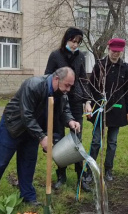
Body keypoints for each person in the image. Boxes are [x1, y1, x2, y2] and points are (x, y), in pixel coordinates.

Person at [0, 67, 80, 206]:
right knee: (1, 161)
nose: (68, 89)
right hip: (13, 127)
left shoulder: (61, 92)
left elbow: (65, 109)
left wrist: (70, 120)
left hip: (33, 131)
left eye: (71, 86)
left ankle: (28, 197)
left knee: (28, 163)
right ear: (56, 79)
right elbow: (26, 115)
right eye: (67, 85)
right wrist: (42, 137)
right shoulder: (33, 85)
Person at [44, 27, 91, 191]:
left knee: (77, 140)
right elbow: (47, 76)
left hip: (76, 101)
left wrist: (88, 101)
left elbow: (84, 80)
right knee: (58, 140)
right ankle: (61, 175)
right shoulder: (55, 55)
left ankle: (81, 177)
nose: (75, 44)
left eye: (78, 42)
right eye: (73, 40)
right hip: (58, 103)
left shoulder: (81, 57)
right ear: (66, 39)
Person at [85, 38, 128, 182]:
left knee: (112, 143)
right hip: (100, 109)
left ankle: (108, 170)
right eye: (114, 51)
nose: (116, 54)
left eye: (119, 52)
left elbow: (127, 91)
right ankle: (90, 170)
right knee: (96, 141)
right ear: (109, 49)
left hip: (117, 111)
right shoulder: (100, 66)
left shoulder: (124, 68)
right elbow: (91, 87)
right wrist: (89, 103)